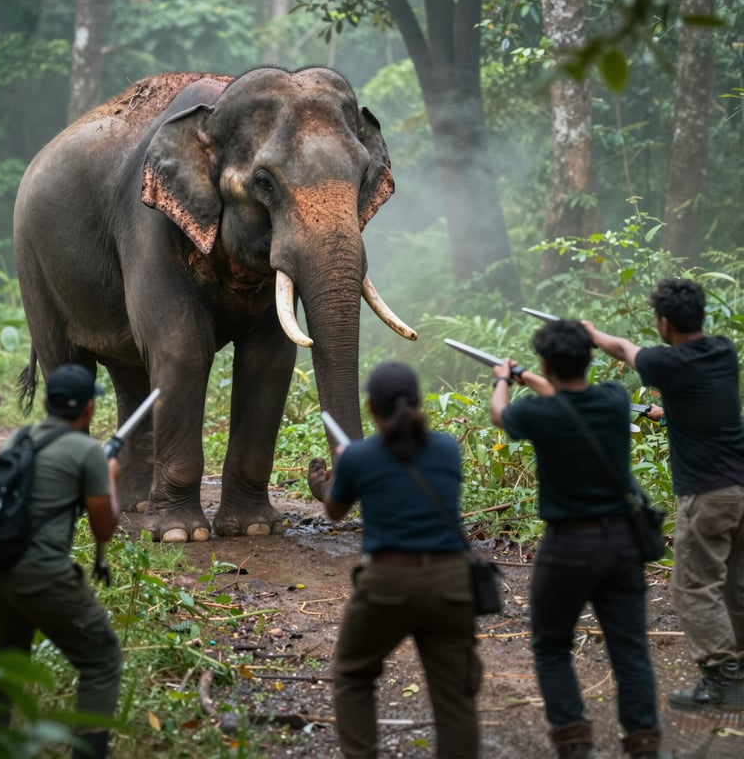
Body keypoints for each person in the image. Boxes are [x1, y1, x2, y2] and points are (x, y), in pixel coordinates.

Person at [490, 321, 661, 759]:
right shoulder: (613, 399)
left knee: (551, 646)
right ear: (590, 358)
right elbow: (570, 399)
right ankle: (644, 743)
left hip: (566, 547)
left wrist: (504, 380)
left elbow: (500, 415)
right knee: (631, 651)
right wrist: (529, 376)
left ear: (546, 363)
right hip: (622, 545)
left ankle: (573, 740)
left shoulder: (536, 415)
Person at [583, 278, 744, 712]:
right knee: (735, 582)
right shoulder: (723, 351)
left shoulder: (665, 362)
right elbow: (702, 397)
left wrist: (594, 335)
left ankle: (723, 679)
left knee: (694, 586)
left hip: (707, 494)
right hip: (740, 488)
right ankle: (740, 670)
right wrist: (665, 411)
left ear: (665, 322)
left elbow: (623, 349)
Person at [308, 361, 482, 759]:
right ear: (419, 403)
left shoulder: (360, 457)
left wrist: (342, 465)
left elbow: (335, 511)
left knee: (353, 675)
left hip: (387, 583)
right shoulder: (447, 448)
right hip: (452, 583)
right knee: (456, 696)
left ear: (371, 408)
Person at [0, 364, 122, 758]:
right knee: (102, 660)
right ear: (90, 410)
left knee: (6, 663)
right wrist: (110, 475)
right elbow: (104, 528)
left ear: (45, 403)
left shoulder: (20, 438)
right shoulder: (89, 451)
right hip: (42, 573)